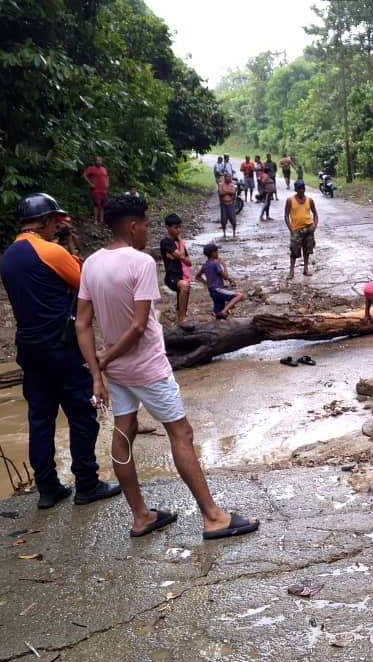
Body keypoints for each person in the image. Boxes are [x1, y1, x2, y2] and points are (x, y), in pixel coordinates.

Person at [76, 193, 260, 540]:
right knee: (182, 434)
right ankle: (213, 517)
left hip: (116, 373)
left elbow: (82, 324)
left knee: (123, 431)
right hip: (146, 366)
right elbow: (139, 326)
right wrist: (105, 360)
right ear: (132, 226)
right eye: (145, 223)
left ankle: (141, 516)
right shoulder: (141, 262)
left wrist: (100, 368)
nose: (148, 230)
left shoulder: (91, 263)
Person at [0, 192, 120, 509]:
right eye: (57, 221)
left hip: (29, 346)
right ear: (48, 221)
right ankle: (87, 483)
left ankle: (48, 489)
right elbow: (85, 282)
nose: (58, 227)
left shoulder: (8, 256)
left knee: (40, 419)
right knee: (81, 415)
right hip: (62, 346)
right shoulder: (50, 251)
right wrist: (70, 248)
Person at [197, 243, 244, 318]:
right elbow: (225, 277)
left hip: (212, 291)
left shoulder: (205, 265)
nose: (218, 253)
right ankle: (224, 311)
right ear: (213, 253)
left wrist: (207, 282)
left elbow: (197, 277)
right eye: (217, 251)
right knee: (239, 295)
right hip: (218, 289)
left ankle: (221, 314)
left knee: (218, 313)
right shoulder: (216, 263)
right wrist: (224, 265)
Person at [159, 213, 191, 324]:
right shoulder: (166, 242)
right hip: (172, 276)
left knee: (182, 302)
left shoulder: (178, 244)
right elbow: (182, 256)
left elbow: (189, 262)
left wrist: (177, 256)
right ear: (168, 228)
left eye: (179, 227)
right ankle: (182, 319)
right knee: (184, 286)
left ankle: (180, 318)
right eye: (175, 228)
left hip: (183, 276)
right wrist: (181, 243)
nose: (178, 231)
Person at [284, 179, 319, 279]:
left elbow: (315, 213)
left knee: (307, 250)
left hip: (308, 228)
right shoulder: (290, 200)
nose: (301, 191)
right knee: (294, 250)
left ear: (304, 189)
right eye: (299, 189)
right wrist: (291, 229)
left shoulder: (309, 200)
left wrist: (315, 225)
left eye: (303, 188)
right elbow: (286, 216)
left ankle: (306, 269)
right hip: (296, 229)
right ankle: (291, 271)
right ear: (296, 189)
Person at [82, 156, 109, 224]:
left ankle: (101, 220)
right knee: (96, 205)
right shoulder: (91, 168)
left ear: (102, 162)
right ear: (95, 161)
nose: (99, 162)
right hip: (96, 190)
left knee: (103, 205)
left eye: (100, 160)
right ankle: (95, 220)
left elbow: (107, 176)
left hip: (104, 190)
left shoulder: (104, 169)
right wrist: (90, 184)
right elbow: (84, 175)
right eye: (97, 160)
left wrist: (107, 184)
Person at [218, 173, 239, 238]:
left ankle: (234, 232)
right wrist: (228, 192)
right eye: (228, 177)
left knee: (233, 219)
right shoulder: (221, 185)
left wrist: (227, 192)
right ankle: (224, 233)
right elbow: (221, 193)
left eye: (230, 177)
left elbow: (233, 193)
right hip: (223, 204)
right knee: (223, 219)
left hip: (231, 203)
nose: (229, 178)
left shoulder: (232, 185)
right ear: (225, 178)